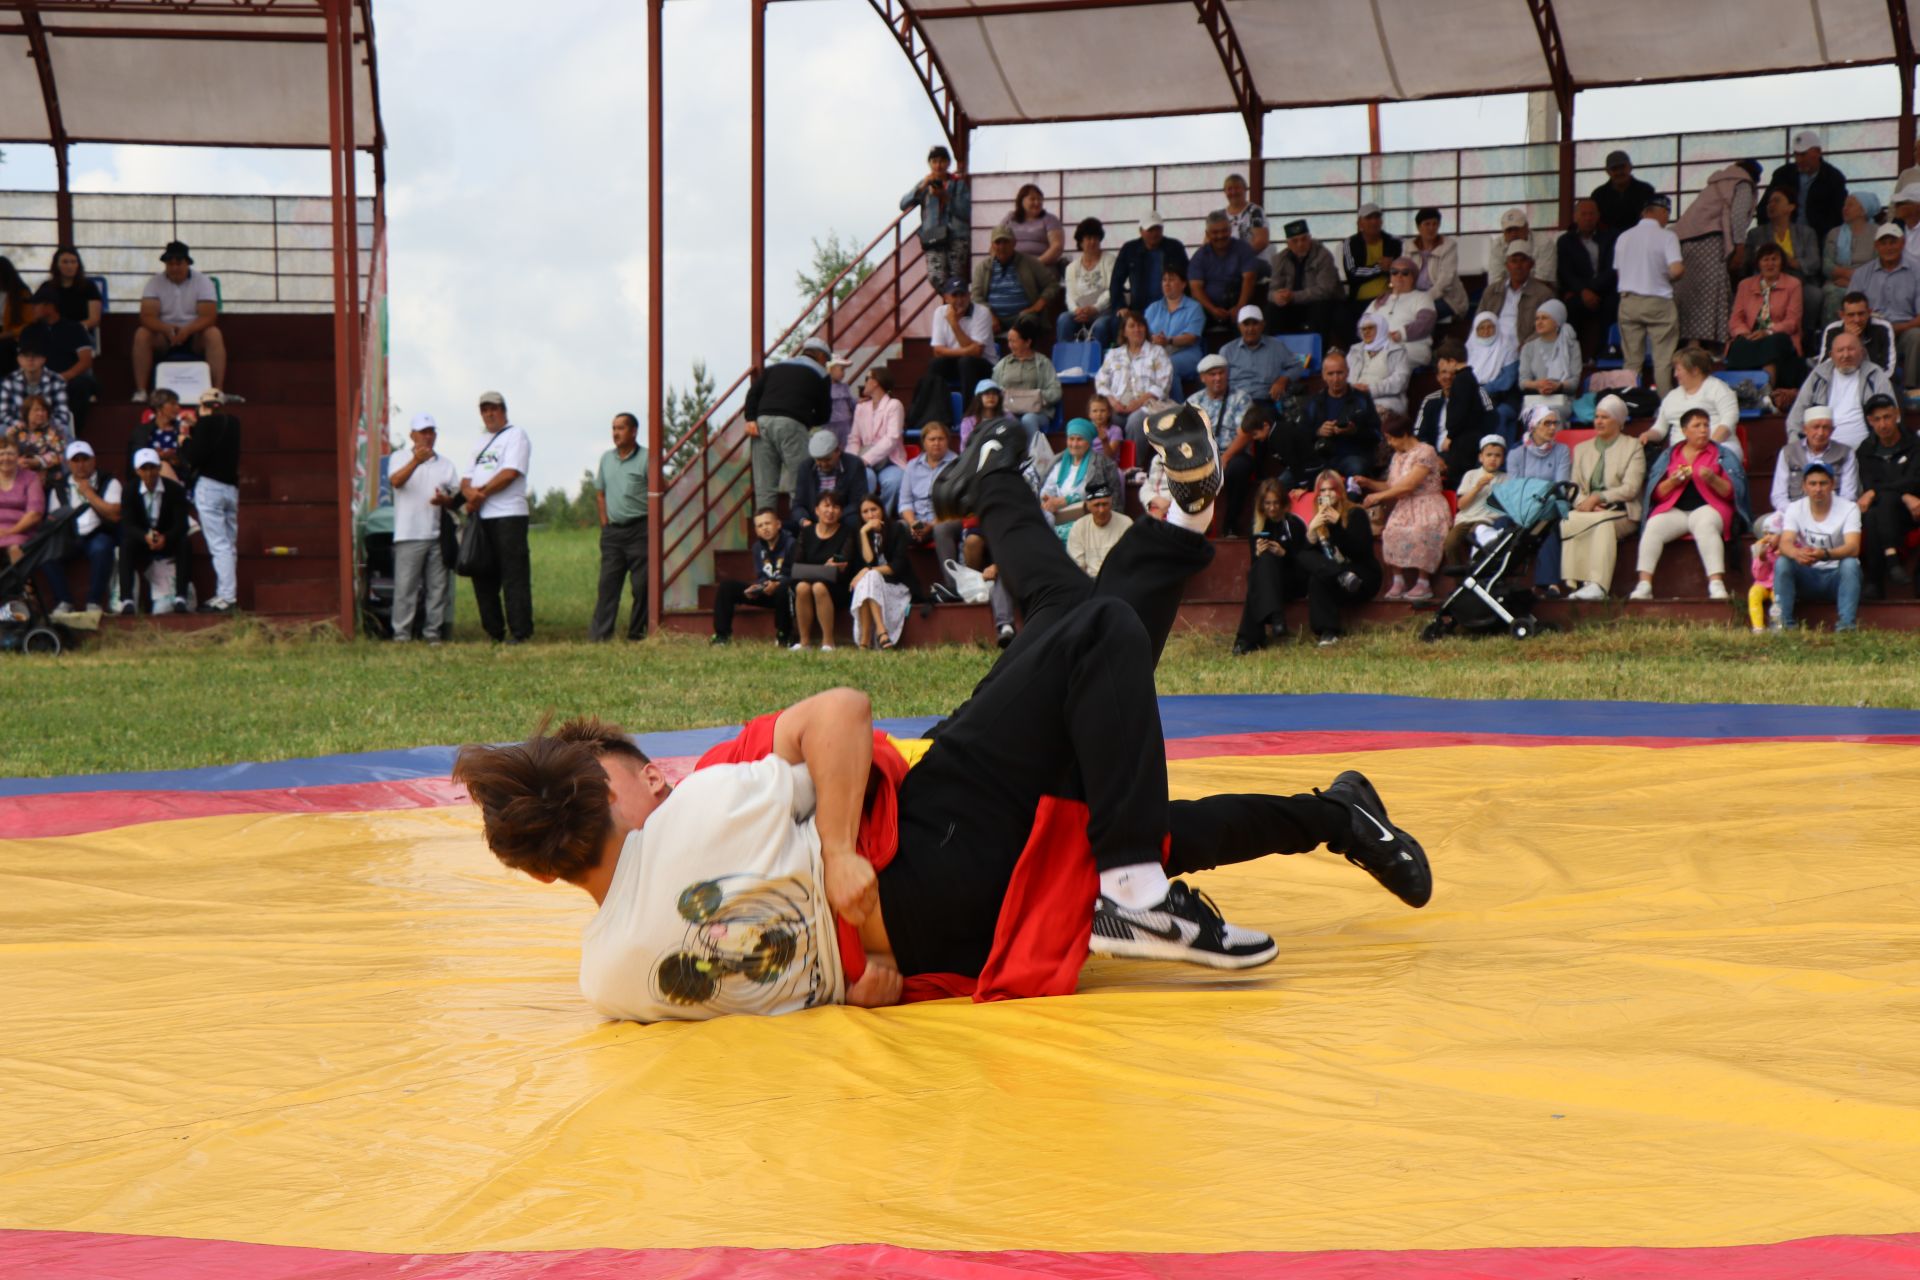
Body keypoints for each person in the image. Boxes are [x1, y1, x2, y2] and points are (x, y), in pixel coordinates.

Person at [451, 413, 1432, 1023]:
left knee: (1083, 640)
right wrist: (846, 870)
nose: (656, 770)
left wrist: (862, 933)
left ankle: (1324, 811)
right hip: (941, 830)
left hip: (944, 845)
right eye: (635, 766)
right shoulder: (696, 808)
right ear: (602, 796)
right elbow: (837, 712)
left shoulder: (608, 978)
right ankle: (1020, 481)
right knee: (1087, 641)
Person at [1632, 408, 1750, 602]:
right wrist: (1673, 482)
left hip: (1711, 508)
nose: (1703, 430)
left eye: (1706, 425)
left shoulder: (1722, 454)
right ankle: (1644, 584)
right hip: (1676, 511)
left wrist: (1712, 479)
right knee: (1653, 525)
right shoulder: (1670, 455)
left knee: (1704, 524)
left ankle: (1716, 584)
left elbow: (1733, 494)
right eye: (1697, 426)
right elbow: (1657, 495)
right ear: (1685, 431)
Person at [462, 390, 533, 644]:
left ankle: (519, 631)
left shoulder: (516, 436)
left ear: (503, 410)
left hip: (509, 515)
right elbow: (465, 478)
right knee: (482, 574)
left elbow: (510, 472)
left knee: (513, 575)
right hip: (482, 518)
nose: (488, 414)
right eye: (484, 410)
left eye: (493, 408)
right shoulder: (479, 442)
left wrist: (480, 494)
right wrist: (470, 494)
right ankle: (494, 631)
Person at [1559, 396, 1647, 601]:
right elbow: (1575, 486)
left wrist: (1598, 497)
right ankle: (1579, 583)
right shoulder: (1582, 449)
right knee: (1569, 519)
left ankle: (1598, 586)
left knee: (1602, 524)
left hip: (1622, 511)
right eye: (1597, 417)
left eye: (1605, 417)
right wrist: (1584, 503)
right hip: (1589, 510)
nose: (1598, 421)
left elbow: (1631, 488)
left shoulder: (1633, 446)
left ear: (1617, 421)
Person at [1357, 419, 1448, 601]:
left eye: (1391, 438)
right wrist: (1368, 483)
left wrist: (1378, 498)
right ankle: (1398, 580)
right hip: (1405, 506)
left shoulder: (1425, 452)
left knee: (1420, 530)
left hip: (1428, 504)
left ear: (1404, 434)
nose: (1390, 443)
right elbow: (1392, 486)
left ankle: (1423, 583)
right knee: (1391, 531)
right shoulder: (1397, 456)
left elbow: (1409, 486)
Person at [388, 412, 459, 644]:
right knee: (405, 588)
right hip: (408, 533)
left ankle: (433, 633)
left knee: (438, 588)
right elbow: (396, 481)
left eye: (431, 432)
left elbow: (455, 497)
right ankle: (402, 634)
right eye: (423, 433)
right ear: (412, 435)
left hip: (438, 533)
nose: (428, 437)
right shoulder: (399, 457)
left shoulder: (446, 465)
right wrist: (416, 461)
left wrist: (445, 501)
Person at [1672, 161, 1758, 349]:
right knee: (1710, 293)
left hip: (1687, 242)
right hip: (1710, 240)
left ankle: (1692, 343)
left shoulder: (1717, 183)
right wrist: (1740, 246)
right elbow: (1738, 216)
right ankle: (1709, 346)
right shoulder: (1742, 183)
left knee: (1690, 293)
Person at [744, 336, 832, 515]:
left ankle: (764, 533)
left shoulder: (776, 367)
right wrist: (806, 420)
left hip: (762, 423)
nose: (826, 364)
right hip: (792, 424)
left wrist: (751, 418)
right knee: (800, 482)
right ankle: (801, 529)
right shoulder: (822, 375)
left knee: (764, 485)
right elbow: (824, 414)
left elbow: (753, 393)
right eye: (827, 360)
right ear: (821, 356)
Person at [1296, 467, 1382, 646]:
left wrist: (1336, 526)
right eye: (1323, 490)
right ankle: (1327, 633)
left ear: (1340, 491)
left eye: (1331, 489)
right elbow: (1309, 557)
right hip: (1338, 576)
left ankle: (1340, 576)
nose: (1327, 494)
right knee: (1307, 559)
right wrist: (1312, 534)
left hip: (1360, 576)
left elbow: (1360, 551)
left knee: (1320, 575)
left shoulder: (1355, 513)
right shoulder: (1318, 517)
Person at [133, 241, 226, 402]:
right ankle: (141, 391)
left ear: (188, 263)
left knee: (214, 334)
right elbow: (147, 316)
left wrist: (188, 330)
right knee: (142, 334)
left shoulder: (203, 281)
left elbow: (209, 316)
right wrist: (165, 329)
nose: (175, 267)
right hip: (164, 335)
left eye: (179, 263)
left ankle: (216, 391)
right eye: (170, 263)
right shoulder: (154, 282)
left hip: (195, 334)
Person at [1773, 461, 1862, 630]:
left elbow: (1853, 547)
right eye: (1812, 484)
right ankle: (1783, 624)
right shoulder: (1794, 508)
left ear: (1832, 485)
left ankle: (1846, 626)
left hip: (1836, 576)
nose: (1818, 489)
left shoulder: (1849, 508)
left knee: (1850, 563)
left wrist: (1825, 554)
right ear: (1804, 486)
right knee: (1783, 561)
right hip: (1807, 573)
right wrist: (1797, 554)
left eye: (1823, 483)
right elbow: (1785, 543)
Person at [1615, 194, 1687, 396]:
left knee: (1631, 361)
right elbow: (1677, 269)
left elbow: (1620, 273)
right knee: (1663, 360)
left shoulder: (1624, 237)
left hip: (1628, 302)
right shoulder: (1667, 236)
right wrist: (1667, 275)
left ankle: (1629, 403)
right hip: (1658, 301)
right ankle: (1665, 404)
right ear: (1662, 212)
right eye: (1667, 214)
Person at [588, 412, 650, 643]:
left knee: (642, 585)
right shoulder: (606, 458)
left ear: (634, 431)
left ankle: (637, 634)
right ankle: (600, 636)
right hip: (613, 533)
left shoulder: (647, 458)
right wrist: (605, 525)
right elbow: (600, 493)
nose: (615, 433)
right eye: (613, 428)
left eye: (621, 428)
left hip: (640, 530)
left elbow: (661, 489)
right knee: (607, 585)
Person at [180, 388, 242, 614]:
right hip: (230, 489)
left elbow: (193, 457)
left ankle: (226, 597)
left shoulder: (205, 425)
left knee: (219, 545)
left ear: (202, 407)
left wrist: (185, 439)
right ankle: (227, 593)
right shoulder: (234, 423)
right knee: (229, 544)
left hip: (210, 487)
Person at [41, 440, 120, 616]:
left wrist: (89, 493)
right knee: (46, 553)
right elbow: (53, 519)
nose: (81, 465)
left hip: (97, 533)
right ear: (68, 463)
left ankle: (94, 602)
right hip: (69, 537)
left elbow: (114, 514)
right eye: (76, 460)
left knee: (102, 546)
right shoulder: (59, 487)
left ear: (93, 460)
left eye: (85, 459)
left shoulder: (108, 481)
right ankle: (64, 601)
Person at [1231, 478, 1307, 653]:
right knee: (1262, 563)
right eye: (1267, 504)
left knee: (1258, 577)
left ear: (1282, 503)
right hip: (1268, 583)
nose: (1272, 508)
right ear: (1261, 504)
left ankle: (1246, 639)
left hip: (1291, 581)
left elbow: (1303, 563)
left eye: (1275, 503)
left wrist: (1284, 554)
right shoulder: (1257, 527)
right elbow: (1256, 565)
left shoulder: (1293, 524)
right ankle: (1276, 618)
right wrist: (1257, 554)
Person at [1856, 394, 1920, 597]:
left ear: (1897, 415)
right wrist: (1900, 493)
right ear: (1869, 421)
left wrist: (1877, 491)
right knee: (1878, 509)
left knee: (1883, 502)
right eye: (1877, 419)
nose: (1883, 424)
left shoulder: (1914, 443)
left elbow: (1915, 480)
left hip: (1910, 512)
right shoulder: (1865, 450)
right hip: (1883, 511)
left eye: (1887, 417)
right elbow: (1868, 484)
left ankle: (1874, 581)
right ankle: (1891, 563)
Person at [1787, 331, 1895, 448]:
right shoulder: (1818, 376)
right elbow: (1796, 416)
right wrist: (1796, 446)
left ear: (1862, 353)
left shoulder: (1874, 374)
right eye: (1840, 350)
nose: (1846, 355)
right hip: (1822, 450)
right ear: (1831, 355)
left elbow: (1891, 413)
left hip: (1866, 451)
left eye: (1851, 349)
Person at [1507, 404, 1574, 593]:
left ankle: (1549, 583)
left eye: (1555, 423)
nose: (1553, 428)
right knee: (1500, 525)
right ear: (1533, 426)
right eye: (1547, 423)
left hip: (1551, 504)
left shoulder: (1561, 451)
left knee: (1546, 526)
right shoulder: (1516, 454)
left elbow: (1561, 484)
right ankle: (1493, 579)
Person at [1743, 185, 1823, 341]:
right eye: (1768, 203)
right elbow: (1748, 264)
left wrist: (1789, 260)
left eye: (1777, 201)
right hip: (1766, 282)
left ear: (1791, 207)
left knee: (1814, 294)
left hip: (1798, 281)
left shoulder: (1806, 232)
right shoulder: (1756, 234)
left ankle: (1807, 337)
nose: (1771, 205)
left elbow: (1814, 263)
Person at [1185, 354, 1255, 529]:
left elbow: (1245, 433)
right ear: (1203, 378)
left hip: (1232, 454)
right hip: (1203, 454)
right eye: (1212, 374)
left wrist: (1224, 458)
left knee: (1239, 468)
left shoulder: (1241, 398)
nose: (1217, 378)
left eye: (1221, 373)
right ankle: (1196, 525)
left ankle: (1231, 524)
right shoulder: (1193, 401)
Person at [1725, 241, 1808, 388]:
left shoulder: (1793, 284)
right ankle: (1739, 393)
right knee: (1738, 345)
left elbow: (1792, 321)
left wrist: (1768, 332)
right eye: (1765, 260)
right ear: (1758, 264)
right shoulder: (1745, 285)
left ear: (1782, 262)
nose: (1770, 264)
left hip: (1779, 335)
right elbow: (1735, 319)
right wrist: (1745, 333)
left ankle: (1766, 390)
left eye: (1774, 259)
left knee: (1773, 344)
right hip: (1750, 335)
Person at [1848, 223, 1920, 388]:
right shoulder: (1862, 274)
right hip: (1870, 330)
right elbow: (1849, 311)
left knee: (1917, 336)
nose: (1888, 247)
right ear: (1876, 246)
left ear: (1903, 243)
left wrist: (1897, 328)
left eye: (1893, 242)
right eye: (1883, 243)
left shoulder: (1917, 271)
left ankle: (1911, 389)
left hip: (1904, 331)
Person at [711, 508, 796, 647]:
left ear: (778, 524)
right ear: (756, 531)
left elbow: (795, 575)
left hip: (787, 592)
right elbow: (762, 575)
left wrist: (777, 584)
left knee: (783, 589)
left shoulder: (791, 544)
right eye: (760, 526)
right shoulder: (757, 547)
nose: (765, 528)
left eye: (768, 523)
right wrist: (758, 587)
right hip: (767, 590)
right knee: (727, 587)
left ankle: (784, 635)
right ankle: (722, 636)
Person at [1415, 341, 1496, 485]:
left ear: (1451, 361)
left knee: (1457, 482)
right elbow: (1420, 434)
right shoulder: (1431, 400)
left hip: (1461, 449)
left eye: (1446, 368)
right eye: (1442, 372)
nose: (1447, 376)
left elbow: (1461, 415)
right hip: (1439, 453)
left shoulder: (1464, 382)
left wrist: (1450, 435)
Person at [120, 446, 189, 613]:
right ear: (137, 471)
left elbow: (182, 524)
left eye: (152, 468)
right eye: (144, 469)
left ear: (159, 468)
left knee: (184, 544)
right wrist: (145, 536)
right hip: (143, 539)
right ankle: (127, 599)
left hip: (166, 537)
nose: (149, 473)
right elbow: (128, 525)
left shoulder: (174, 490)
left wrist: (166, 537)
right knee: (126, 545)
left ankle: (181, 597)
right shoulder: (129, 490)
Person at [921, 277, 997, 428]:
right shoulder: (939, 312)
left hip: (984, 365)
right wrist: (966, 350)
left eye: (963, 295)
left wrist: (954, 324)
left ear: (969, 296)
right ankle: (938, 418)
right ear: (946, 297)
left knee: (966, 362)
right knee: (935, 364)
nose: (959, 300)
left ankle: (969, 417)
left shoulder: (982, 312)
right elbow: (937, 351)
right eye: (955, 295)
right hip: (959, 361)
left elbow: (977, 353)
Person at [1294, 349, 1380, 479]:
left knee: (1357, 467)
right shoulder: (1314, 402)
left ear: (1347, 372)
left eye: (1339, 373)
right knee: (1287, 478)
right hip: (1321, 457)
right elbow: (1300, 435)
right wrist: (1318, 432)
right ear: (1323, 375)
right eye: (1330, 374)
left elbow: (1377, 434)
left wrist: (1354, 431)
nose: (1335, 379)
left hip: (1352, 456)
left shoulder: (1362, 399)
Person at [1094, 310, 1173, 445]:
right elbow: (1100, 382)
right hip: (1118, 405)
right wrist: (1112, 401)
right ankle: (1109, 462)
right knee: (1104, 418)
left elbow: (1163, 384)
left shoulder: (1157, 352)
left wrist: (1139, 402)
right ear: (1124, 332)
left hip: (1149, 405)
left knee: (1135, 421)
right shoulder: (1113, 354)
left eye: (1140, 326)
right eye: (1132, 326)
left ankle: (1133, 464)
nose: (1137, 329)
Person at [21, 285, 94, 430]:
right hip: (36, 379)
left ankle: (74, 433)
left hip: (68, 378)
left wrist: (64, 376)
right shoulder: (29, 332)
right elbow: (24, 361)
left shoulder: (75, 329)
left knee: (80, 386)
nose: (32, 308)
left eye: (36, 304)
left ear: (49, 306)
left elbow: (85, 360)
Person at [1649, 348, 1743, 461]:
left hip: (1720, 448)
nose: (1675, 375)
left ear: (1695, 370)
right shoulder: (1671, 396)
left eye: (1678, 370)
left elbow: (1728, 422)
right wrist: (1646, 436)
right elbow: (1660, 429)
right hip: (1679, 454)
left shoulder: (1719, 389)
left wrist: (1706, 449)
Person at [1040, 417, 1123, 545]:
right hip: (1058, 515)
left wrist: (1065, 500)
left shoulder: (1102, 464)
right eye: (1071, 439)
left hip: (1089, 517)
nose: (1074, 444)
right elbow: (1048, 488)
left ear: (1089, 442)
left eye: (1079, 439)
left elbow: (1097, 493)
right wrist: (1047, 499)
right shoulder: (1058, 463)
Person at [850, 494, 917, 650]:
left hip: (896, 585)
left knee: (869, 576)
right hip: (873, 586)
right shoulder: (860, 532)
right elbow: (868, 561)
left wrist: (867, 571)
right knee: (870, 578)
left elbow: (896, 566)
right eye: (865, 512)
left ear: (882, 509)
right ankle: (880, 635)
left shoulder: (897, 529)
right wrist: (863, 534)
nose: (870, 515)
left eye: (874, 509)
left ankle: (867, 639)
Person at [788, 489, 852, 651]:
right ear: (816, 510)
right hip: (807, 582)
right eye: (826, 506)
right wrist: (823, 569)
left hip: (838, 587)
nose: (830, 511)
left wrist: (832, 567)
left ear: (841, 512)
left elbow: (842, 564)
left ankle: (828, 642)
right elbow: (796, 564)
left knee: (819, 587)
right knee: (802, 587)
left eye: (836, 507)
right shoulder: (807, 532)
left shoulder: (847, 533)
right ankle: (804, 642)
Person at [897, 419, 962, 575]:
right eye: (932, 439)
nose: (936, 443)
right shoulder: (912, 465)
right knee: (897, 528)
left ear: (948, 441)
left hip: (946, 519)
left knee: (941, 529)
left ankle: (952, 587)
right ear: (924, 442)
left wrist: (931, 525)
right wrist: (913, 523)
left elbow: (956, 504)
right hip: (918, 521)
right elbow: (905, 502)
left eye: (941, 439)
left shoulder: (957, 464)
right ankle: (900, 584)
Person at [1266, 219, 1343, 351]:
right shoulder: (1280, 259)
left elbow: (1325, 290)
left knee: (1321, 309)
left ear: (1310, 238)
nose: (1300, 244)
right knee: (1271, 311)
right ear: (1288, 243)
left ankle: (1318, 357)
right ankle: (1277, 355)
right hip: (1291, 305)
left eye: (1304, 239)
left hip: (1319, 303)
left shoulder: (1323, 255)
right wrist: (1277, 297)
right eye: (1295, 241)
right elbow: (1271, 291)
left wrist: (1294, 296)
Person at [902, 144, 971, 287]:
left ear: (948, 163)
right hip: (933, 237)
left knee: (956, 278)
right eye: (934, 161)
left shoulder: (958, 183)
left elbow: (966, 212)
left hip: (956, 236)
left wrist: (946, 198)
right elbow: (903, 204)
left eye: (942, 161)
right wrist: (922, 187)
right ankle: (951, 306)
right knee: (936, 278)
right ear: (929, 164)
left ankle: (953, 307)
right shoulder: (925, 185)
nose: (938, 166)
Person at [1556, 198, 1617, 358]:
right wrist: (1583, 291)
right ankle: (1572, 356)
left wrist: (1592, 289)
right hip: (1578, 291)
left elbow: (1612, 269)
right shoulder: (1565, 241)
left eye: (1592, 214)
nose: (1588, 218)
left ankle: (1604, 353)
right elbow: (1565, 272)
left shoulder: (1610, 238)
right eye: (1584, 214)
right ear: (1575, 217)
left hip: (1604, 290)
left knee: (1613, 305)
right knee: (1569, 308)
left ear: (1598, 216)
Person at [1188, 212, 1259, 345]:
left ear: (1230, 230)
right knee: (1193, 315)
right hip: (1208, 308)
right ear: (1207, 234)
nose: (1220, 236)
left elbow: (1249, 278)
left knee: (1249, 316)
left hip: (1239, 302)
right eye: (1215, 232)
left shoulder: (1243, 249)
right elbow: (1195, 288)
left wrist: (1240, 307)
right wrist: (1212, 309)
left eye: (1224, 231)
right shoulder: (1200, 255)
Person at [972, 225, 1058, 335]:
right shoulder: (983, 267)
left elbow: (1052, 285)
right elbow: (976, 297)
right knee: (979, 326)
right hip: (994, 317)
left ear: (1014, 243)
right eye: (998, 243)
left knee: (1028, 324)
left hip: (1023, 315)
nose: (1002, 247)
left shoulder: (1030, 262)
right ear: (992, 245)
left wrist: (1037, 306)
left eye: (1006, 242)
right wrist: (990, 316)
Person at [1220, 304, 1306, 411]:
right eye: (1246, 324)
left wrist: (1283, 379)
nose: (1250, 329)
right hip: (1234, 403)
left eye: (1255, 323)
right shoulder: (1227, 350)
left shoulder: (1276, 346)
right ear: (1239, 326)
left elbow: (1298, 366)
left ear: (1263, 325)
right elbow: (1218, 377)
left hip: (1264, 401)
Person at [1766, 130, 1848, 242]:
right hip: (1782, 237)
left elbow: (1838, 215)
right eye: (1796, 154)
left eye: (1803, 154)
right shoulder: (1782, 175)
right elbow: (1765, 206)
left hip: (1820, 239)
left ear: (1818, 152)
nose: (1799, 160)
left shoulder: (1833, 178)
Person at [1773, 405, 1859, 511]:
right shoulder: (1788, 452)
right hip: (1794, 512)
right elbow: (1778, 496)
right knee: (1763, 524)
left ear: (1832, 430)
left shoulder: (1845, 453)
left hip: (1834, 512)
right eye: (1816, 427)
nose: (1820, 433)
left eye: (1826, 427)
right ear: (1805, 429)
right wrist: (1797, 514)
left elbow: (1848, 495)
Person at [992, 316, 1063, 442]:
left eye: (1014, 341)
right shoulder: (1002, 364)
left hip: (1037, 413)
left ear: (1027, 342)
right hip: (1009, 410)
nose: (1010, 345)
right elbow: (993, 388)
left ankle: (1033, 458)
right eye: (1009, 341)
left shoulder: (1043, 363)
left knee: (1028, 419)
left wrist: (1039, 397)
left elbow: (1056, 390)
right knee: (1005, 420)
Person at [1442, 435, 1510, 567]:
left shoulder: (1506, 478)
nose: (1493, 459)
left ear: (1503, 459)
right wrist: (1477, 487)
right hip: (1465, 519)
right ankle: (1461, 581)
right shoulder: (1471, 475)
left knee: (1478, 534)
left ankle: (1477, 573)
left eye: (1497, 456)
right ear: (1481, 457)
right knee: (1450, 544)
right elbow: (1461, 505)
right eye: (1489, 455)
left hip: (1487, 520)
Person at [847, 367, 907, 513]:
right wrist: (855, 460)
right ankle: (863, 518)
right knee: (866, 479)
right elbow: (854, 439)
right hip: (863, 461)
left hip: (889, 460)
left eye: (867, 378)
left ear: (875, 382)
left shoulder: (894, 405)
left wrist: (866, 459)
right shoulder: (861, 407)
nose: (865, 383)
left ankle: (883, 517)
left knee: (894, 481)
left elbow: (892, 438)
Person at [1110, 211, 1189, 319]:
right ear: (1141, 231)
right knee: (1116, 323)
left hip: (1171, 307)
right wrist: (1121, 306)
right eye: (1150, 230)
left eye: (1158, 229)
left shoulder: (1175, 247)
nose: (1154, 233)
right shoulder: (1129, 249)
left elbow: (1187, 278)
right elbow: (1116, 282)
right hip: (1138, 310)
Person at [789, 429, 868, 533]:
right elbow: (798, 504)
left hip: (842, 517)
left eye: (827, 459)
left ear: (838, 451)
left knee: (854, 520)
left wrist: (833, 516)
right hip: (814, 519)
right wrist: (804, 521)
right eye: (818, 460)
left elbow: (858, 501)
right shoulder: (805, 467)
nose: (822, 464)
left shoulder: (854, 464)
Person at [1364, 257, 1438, 369]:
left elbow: (1425, 324)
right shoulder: (1379, 300)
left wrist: (1399, 335)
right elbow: (1363, 325)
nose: (1399, 276)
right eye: (1394, 272)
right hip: (1378, 347)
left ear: (1413, 278)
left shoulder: (1422, 297)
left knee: (1383, 361)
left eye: (1405, 273)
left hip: (1410, 348)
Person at [1, 329, 73, 442]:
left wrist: (42, 425)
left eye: (34, 355)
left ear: (43, 359)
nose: (30, 359)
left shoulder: (57, 380)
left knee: (64, 430)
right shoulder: (8, 381)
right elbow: (4, 414)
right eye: (25, 356)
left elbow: (63, 414)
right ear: (19, 359)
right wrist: (24, 426)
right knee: (2, 429)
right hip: (17, 429)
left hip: (48, 429)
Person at [1479, 241, 1554, 348]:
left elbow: (1547, 327)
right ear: (1507, 266)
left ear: (1531, 264)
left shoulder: (1543, 294)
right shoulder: (1492, 291)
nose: (1518, 266)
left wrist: (1527, 345)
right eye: (1514, 261)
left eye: (1523, 261)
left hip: (1522, 348)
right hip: (1491, 345)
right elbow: (1479, 321)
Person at [1821, 193, 1881, 325]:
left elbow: (1879, 265)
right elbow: (1827, 265)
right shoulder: (1834, 233)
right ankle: (1833, 339)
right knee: (1834, 295)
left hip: (1869, 282)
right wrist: (1846, 274)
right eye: (1844, 205)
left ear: (1863, 210)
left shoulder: (1878, 232)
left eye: (1850, 205)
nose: (1845, 208)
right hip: (1837, 282)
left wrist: (1855, 281)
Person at [1515, 298, 1581, 420]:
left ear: (1557, 321)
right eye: (1537, 318)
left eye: (1544, 318)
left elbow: (1574, 381)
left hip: (1561, 399)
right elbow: (1523, 381)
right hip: (1535, 399)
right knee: (1534, 414)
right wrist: (1537, 384)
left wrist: (1557, 386)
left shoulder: (1571, 345)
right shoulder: (1528, 347)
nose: (1539, 322)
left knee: (1550, 414)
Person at [1058, 218, 1117, 345]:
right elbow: (1070, 295)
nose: (1093, 242)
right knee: (1064, 319)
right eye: (1089, 238)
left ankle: (1098, 362)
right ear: (1081, 241)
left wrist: (1095, 308)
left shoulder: (1109, 260)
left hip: (1104, 312)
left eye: (1096, 238)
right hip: (1080, 313)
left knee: (1100, 326)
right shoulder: (1071, 267)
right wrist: (1076, 311)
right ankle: (1066, 361)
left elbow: (1112, 289)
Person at [1145, 264, 1206, 387]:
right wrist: (1153, 339)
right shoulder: (1153, 308)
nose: (1167, 284)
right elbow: (1143, 334)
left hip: (1187, 353)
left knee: (1167, 365)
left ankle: (1176, 405)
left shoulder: (1194, 308)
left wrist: (1168, 340)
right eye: (1164, 280)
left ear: (1183, 284)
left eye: (1171, 280)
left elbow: (1191, 337)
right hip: (1157, 353)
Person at [1405, 207, 1468, 321]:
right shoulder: (1409, 246)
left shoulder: (1449, 246)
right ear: (1419, 227)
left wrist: (1424, 299)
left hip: (1447, 298)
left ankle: (1426, 339)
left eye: (1435, 224)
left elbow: (1446, 281)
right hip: (1416, 296)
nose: (1431, 228)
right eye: (1427, 224)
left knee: (1423, 313)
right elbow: (1404, 273)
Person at [1463, 311, 1520, 440]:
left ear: (1497, 327)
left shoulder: (1507, 347)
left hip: (1504, 397)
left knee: (1494, 414)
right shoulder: (1469, 348)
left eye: (1490, 327)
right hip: (1476, 394)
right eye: (1481, 328)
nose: (1486, 331)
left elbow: (1507, 381)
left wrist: (1482, 390)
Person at [1348, 313, 1410, 425]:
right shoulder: (1354, 351)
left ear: (1381, 328)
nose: (1366, 332)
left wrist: (1369, 389)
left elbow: (1400, 381)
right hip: (1354, 400)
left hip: (1385, 402)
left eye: (1370, 328)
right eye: (1363, 329)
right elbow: (1346, 377)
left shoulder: (1397, 351)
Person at [1067, 479, 1130, 578]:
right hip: (1089, 582)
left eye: (1105, 504)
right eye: (1096, 505)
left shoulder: (1126, 524)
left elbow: (1128, 562)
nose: (1101, 510)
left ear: (1111, 503)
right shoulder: (1079, 527)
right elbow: (1078, 567)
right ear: (1088, 506)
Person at [1342, 203, 1400, 310]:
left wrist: (1391, 267)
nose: (1374, 221)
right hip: (1361, 300)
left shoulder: (1394, 241)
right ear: (1359, 223)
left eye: (1377, 217)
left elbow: (1403, 268)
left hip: (1391, 296)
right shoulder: (1350, 243)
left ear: (1381, 221)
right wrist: (1379, 268)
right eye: (1369, 218)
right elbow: (1352, 272)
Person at [1819, 290, 1895, 370]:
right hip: (1840, 380)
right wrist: (1846, 338)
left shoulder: (1883, 328)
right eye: (1851, 315)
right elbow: (1823, 368)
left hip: (1875, 380)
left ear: (1869, 312)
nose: (1857, 320)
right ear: (1842, 315)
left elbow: (1889, 368)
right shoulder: (1832, 330)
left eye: (1861, 314)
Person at [1486, 207, 1558, 289]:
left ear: (1527, 227)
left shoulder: (1544, 243)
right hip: (1507, 293)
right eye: (1509, 230)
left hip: (1539, 292)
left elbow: (1544, 280)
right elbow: (1495, 281)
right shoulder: (1497, 246)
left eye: (1517, 229)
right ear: (1504, 232)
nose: (1513, 234)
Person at [0, 437, 44, 567]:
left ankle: (23, 584)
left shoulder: (30, 477)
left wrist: (11, 531)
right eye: (1, 454)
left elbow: (35, 513)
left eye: (10, 453)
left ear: (18, 456)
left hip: (21, 530)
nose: (6, 458)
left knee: (15, 548)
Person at [1591, 150, 1658, 236]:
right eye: (1614, 169)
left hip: (1640, 238)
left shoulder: (1646, 191)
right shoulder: (1598, 195)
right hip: (1609, 243)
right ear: (1607, 171)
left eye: (1622, 167)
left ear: (1630, 167)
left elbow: (1653, 219)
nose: (1619, 172)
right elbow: (1596, 223)